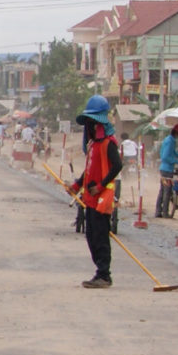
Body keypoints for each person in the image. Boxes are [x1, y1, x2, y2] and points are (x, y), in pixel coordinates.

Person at [70, 95, 122, 287]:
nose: (90, 127)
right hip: (90, 198)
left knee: (100, 237)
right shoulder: (93, 146)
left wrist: (100, 186)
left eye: (93, 123)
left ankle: (104, 275)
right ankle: (100, 272)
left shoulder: (108, 144)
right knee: (91, 236)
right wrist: (77, 185)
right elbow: (89, 170)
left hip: (102, 198)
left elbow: (117, 166)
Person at [156, 121, 178, 217]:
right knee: (167, 191)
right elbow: (165, 157)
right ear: (176, 133)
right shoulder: (170, 141)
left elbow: (173, 153)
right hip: (167, 169)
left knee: (162, 191)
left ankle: (158, 212)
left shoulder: (169, 139)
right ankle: (165, 213)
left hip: (164, 168)